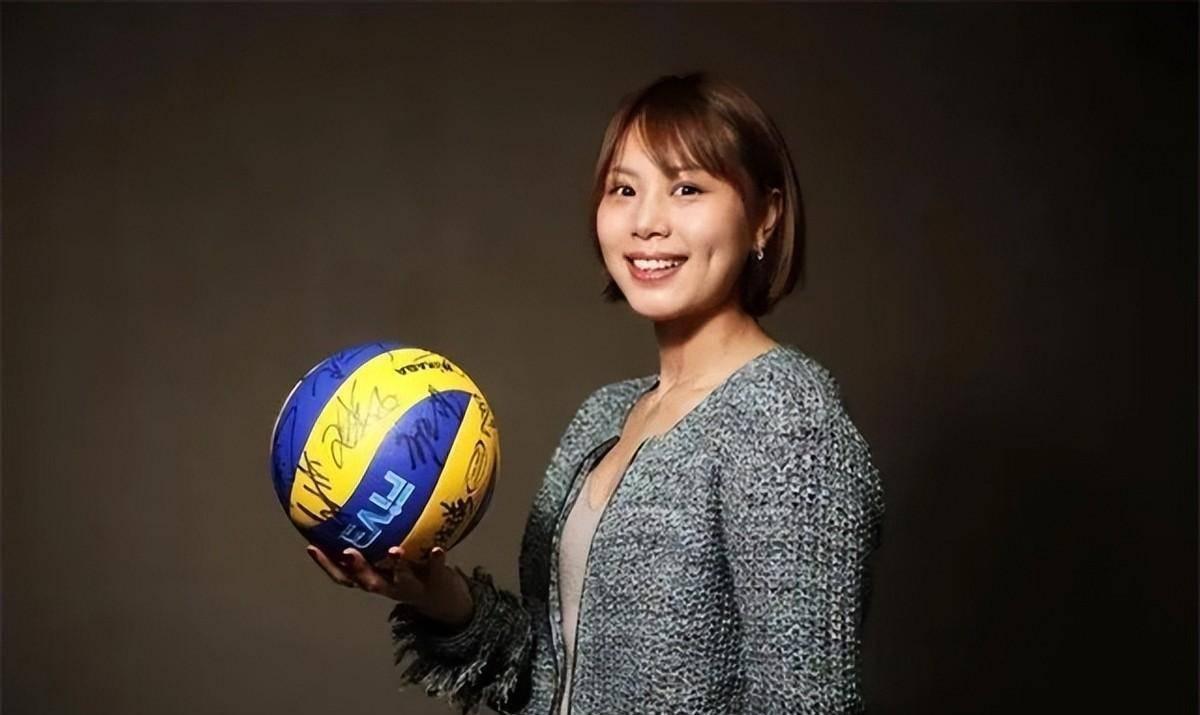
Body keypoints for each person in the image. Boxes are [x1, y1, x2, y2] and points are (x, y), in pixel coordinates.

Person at [307, 71, 885, 715]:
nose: (646, 223)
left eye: (687, 188)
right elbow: (547, 670)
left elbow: (805, 702)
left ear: (765, 216)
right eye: (624, 189)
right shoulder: (604, 415)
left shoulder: (786, 417)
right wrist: (432, 591)